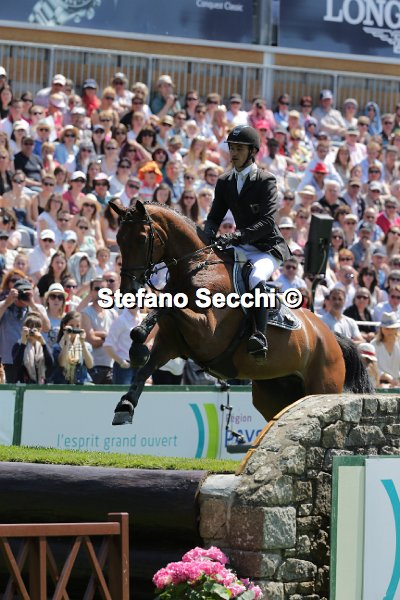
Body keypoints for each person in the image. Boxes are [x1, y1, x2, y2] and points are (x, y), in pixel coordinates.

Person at [203, 124, 291, 356]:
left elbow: (268, 222)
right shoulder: (225, 181)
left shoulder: (265, 180)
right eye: (232, 147)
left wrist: (236, 236)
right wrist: (207, 235)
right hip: (242, 246)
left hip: (267, 248)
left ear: (252, 151)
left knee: (255, 277)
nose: (233, 152)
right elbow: (214, 217)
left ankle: (259, 335)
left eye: (239, 148)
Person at [0, 278, 50, 382]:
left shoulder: (37, 308)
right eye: (21, 292)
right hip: (8, 362)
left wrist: (32, 304)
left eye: (27, 293)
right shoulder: (4, 305)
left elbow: (46, 328)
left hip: (32, 362)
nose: (23, 296)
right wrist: (7, 303)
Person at [81, 278, 118, 384]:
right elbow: (92, 341)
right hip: (92, 367)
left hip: (111, 366)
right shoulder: (85, 313)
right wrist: (108, 336)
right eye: (97, 288)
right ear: (91, 292)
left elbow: (118, 339)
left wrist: (101, 334)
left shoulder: (113, 313)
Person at [52, 311, 94, 384]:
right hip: (63, 384)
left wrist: (82, 343)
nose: (74, 328)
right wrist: (67, 341)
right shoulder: (57, 347)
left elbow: (90, 365)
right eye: (71, 325)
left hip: (81, 384)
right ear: (64, 326)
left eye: (77, 326)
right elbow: (62, 363)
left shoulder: (86, 346)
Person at [12, 312, 54, 384]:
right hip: (24, 385)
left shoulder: (43, 345)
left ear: (40, 330)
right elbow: (17, 364)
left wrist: (43, 343)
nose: (32, 332)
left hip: (41, 385)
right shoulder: (18, 345)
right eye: (30, 328)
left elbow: (50, 364)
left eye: (35, 329)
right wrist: (23, 342)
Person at [371, 311, 400, 384]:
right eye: (386, 328)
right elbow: (371, 365)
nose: (389, 331)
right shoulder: (374, 344)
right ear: (381, 329)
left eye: (392, 328)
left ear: (396, 329)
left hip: (397, 382)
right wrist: (385, 376)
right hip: (379, 383)